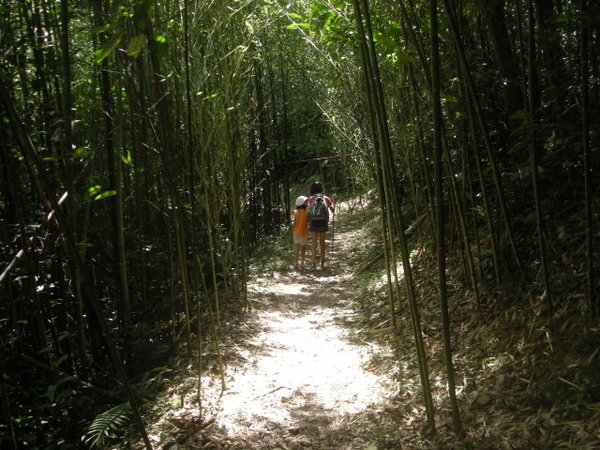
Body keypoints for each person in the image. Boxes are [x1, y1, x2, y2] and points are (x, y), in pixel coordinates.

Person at [307, 181, 335, 269]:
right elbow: (333, 211)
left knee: (314, 242)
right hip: (323, 222)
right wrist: (333, 201)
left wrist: (308, 222)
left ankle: (313, 263)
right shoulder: (326, 198)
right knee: (322, 242)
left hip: (313, 222)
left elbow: (309, 211)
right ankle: (322, 262)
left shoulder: (311, 199)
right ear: (321, 188)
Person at [292, 195, 309, 270]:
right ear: (303, 204)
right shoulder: (306, 213)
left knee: (296, 248)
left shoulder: (295, 212)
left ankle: (295, 262)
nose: (307, 203)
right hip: (303, 233)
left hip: (296, 232)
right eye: (306, 202)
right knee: (303, 248)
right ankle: (302, 262)